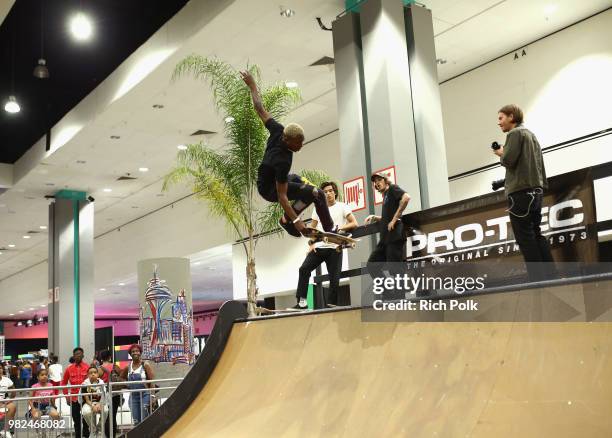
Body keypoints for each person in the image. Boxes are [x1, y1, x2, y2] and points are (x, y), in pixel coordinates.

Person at [240, 70, 334, 236]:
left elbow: (259, 109)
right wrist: (298, 225)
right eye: (298, 143)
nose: (301, 146)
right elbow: (282, 197)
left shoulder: (278, 130)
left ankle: (286, 220)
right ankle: (329, 228)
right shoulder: (282, 160)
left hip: (269, 179)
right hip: (270, 190)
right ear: (288, 141)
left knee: (298, 180)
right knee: (315, 193)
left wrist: (252, 85)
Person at [493, 104, 554, 281]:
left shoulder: (514, 134)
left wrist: (500, 153)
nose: (499, 123)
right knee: (536, 233)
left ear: (512, 117)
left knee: (525, 238)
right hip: (536, 191)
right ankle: (551, 276)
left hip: (520, 194)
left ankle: (538, 280)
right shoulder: (531, 135)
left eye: (501, 118)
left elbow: (509, 160)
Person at [291, 181, 358, 309]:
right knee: (303, 269)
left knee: (334, 279)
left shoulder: (342, 206)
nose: (328, 194)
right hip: (320, 246)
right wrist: (311, 243)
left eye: (330, 191)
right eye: (325, 192)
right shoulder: (318, 208)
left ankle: (331, 306)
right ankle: (302, 302)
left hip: (335, 247)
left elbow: (354, 223)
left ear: (335, 192)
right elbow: (312, 228)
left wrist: (339, 229)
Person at [365, 172, 411, 297]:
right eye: (375, 182)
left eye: (379, 180)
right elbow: (388, 217)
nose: (377, 183)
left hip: (395, 235)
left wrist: (394, 219)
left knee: (395, 269)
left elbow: (406, 197)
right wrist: (377, 217)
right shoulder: (385, 196)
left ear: (386, 180)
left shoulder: (392, 189)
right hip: (385, 238)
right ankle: (389, 293)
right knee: (372, 265)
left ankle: (399, 298)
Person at [120, 344, 154, 425]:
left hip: (145, 395)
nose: (135, 353)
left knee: (144, 420)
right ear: (130, 354)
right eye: (133, 351)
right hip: (133, 397)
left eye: (137, 351)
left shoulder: (145, 365)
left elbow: (152, 381)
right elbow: (121, 378)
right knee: (136, 421)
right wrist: (127, 385)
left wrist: (152, 397)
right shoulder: (128, 367)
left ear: (140, 353)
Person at [62, 347, 90, 438]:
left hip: (86, 398)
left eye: (79, 354)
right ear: (73, 356)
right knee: (76, 420)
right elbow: (63, 383)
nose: (77, 356)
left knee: (86, 418)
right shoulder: (69, 369)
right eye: (76, 354)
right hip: (74, 399)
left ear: (83, 355)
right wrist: (66, 396)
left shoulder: (88, 368)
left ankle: (86, 435)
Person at [99, 350, 124, 437]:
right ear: (110, 357)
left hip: (104, 396)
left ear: (101, 358)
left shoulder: (99, 369)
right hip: (115, 394)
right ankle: (112, 435)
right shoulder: (115, 367)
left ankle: (107, 435)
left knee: (106, 417)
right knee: (113, 416)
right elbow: (122, 377)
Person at [81, 366, 107, 437]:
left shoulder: (101, 383)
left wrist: (99, 404)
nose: (93, 374)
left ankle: (99, 427)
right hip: (89, 403)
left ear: (98, 374)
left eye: (95, 372)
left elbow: (103, 396)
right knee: (86, 412)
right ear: (87, 375)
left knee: (105, 410)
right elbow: (86, 399)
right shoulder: (84, 384)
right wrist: (92, 405)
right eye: (90, 373)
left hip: (100, 402)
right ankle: (93, 429)